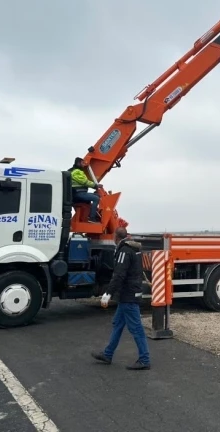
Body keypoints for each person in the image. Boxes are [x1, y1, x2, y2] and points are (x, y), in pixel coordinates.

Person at [91, 227, 150, 370]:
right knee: (117, 324)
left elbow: (119, 275)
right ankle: (108, 354)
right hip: (128, 295)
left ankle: (144, 359)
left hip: (128, 295)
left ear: (115, 237)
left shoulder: (124, 251)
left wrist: (108, 293)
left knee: (136, 329)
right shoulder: (132, 249)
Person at [70, 157, 101, 223]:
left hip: (80, 193)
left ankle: (94, 214)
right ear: (78, 163)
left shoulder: (76, 171)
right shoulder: (76, 172)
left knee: (97, 195)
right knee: (96, 199)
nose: (84, 164)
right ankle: (92, 218)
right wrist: (95, 185)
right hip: (78, 193)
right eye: (82, 163)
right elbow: (84, 182)